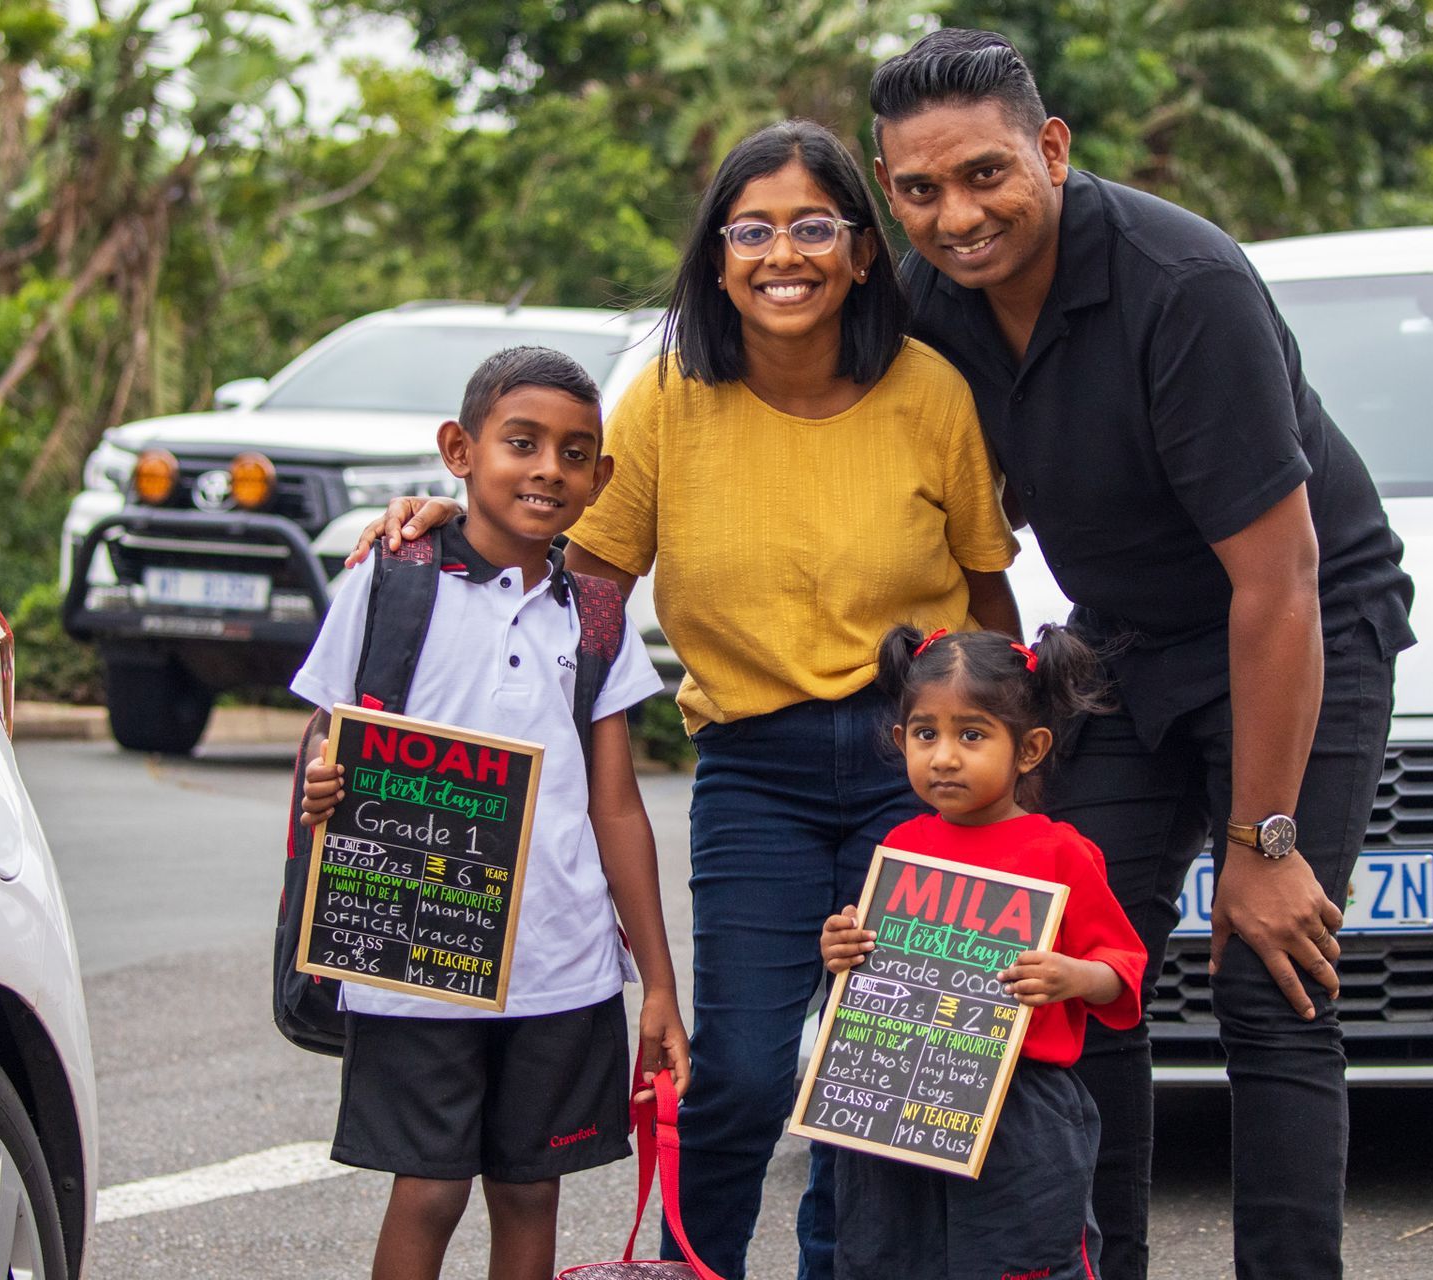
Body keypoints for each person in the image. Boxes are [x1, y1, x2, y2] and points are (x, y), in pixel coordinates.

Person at [350, 120, 1021, 1280]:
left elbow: (987, 598)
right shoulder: (667, 398)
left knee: (884, 1085)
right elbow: (581, 577)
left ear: (865, 252)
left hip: (916, 766)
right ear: (717, 258)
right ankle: (697, 1269)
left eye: (815, 225)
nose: (782, 254)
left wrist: (1007, 768)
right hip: (755, 767)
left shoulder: (930, 393)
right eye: (750, 229)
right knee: (746, 1069)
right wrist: (446, 526)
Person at [867, 30, 1417, 1280]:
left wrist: (1264, 845)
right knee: (1061, 967)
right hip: (1120, 646)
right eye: (920, 189)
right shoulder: (927, 298)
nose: (957, 215)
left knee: (1268, 976)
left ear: (1051, 151)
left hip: (1295, 625)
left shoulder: (1185, 284)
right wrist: (458, 525)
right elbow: (766, 389)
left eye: (987, 175)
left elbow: (1277, 581)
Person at [291, 346, 690, 1280]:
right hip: (417, 954)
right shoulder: (389, 581)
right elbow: (327, 736)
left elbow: (617, 805)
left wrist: (659, 982)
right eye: (522, 443)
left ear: (602, 477)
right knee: (426, 1189)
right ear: (459, 451)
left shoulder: (595, 617)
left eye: (574, 451)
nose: (548, 468)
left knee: (529, 1190)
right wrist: (317, 779)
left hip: (563, 962)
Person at [820, 624, 1145, 1280]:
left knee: (1019, 1261)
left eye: (971, 735)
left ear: (1029, 749)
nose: (943, 757)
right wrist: (843, 946)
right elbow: (874, 968)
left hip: (1020, 1110)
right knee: (889, 1259)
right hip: (897, 1096)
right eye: (925, 733)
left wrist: (1074, 974)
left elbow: (1123, 971)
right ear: (899, 740)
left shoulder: (1059, 852)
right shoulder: (902, 846)